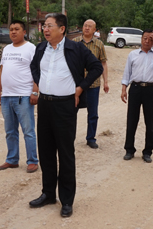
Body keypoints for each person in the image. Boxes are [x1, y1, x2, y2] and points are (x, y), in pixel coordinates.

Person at [28, 13, 103, 217]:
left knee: (65, 153)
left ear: (62, 29)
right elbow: (33, 66)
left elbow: (96, 67)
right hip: (45, 104)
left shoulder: (76, 48)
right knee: (46, 151)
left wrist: (80, 88)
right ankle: (48, 193)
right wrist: (41, 82)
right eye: (44, 26)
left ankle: (67, 200)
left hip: (65, 106)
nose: (45, 29)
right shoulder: (41, 48)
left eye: (49, 26)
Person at [0, 20, 39, 173]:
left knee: (28, 131)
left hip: (23, 96)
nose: (13, 32)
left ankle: (32, 161)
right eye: (11, 29)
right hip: (7, 96)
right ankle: (12, 159)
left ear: (24, 32)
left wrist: (35, 91)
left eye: (17, 29)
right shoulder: (7, 49)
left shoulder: (31, 48)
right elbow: (2, 70)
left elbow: (37, 70)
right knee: (10, 131)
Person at [121, 30, 153, 163]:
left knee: (150, 121)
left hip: (150, 90)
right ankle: (129, 150)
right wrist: (124, 88)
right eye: (145, 38)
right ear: (141, 39)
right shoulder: (133, 54)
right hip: (135, 88)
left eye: (150, 39)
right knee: (132, 120)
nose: (147, 41)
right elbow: (127, 73)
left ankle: (148, 151)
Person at [73, 19, 109, 148]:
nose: (87, 28)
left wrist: (106, 82)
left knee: (93, 113)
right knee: (72, 112)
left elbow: (103, 63)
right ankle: (69, 137)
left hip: (93, 85)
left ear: (94, 30)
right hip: (77, 85)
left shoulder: (99, 44)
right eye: (85, 25)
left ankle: (91, 138)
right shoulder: (75, 43)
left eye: (90, 26)